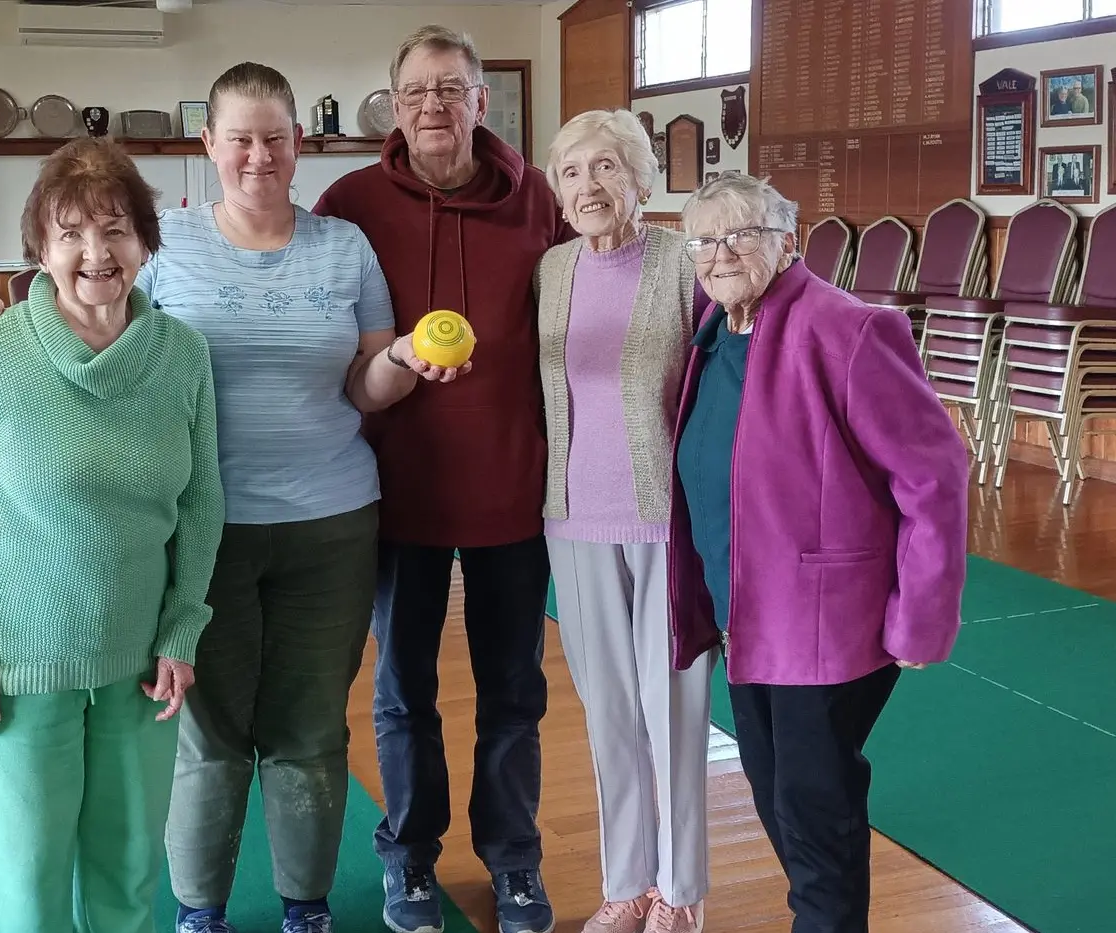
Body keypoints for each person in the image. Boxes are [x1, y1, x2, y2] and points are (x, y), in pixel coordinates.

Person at [0, 62, 454, 933]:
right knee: (204, 735)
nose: (260, 155)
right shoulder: (163, 244)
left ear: (301, 145)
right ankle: (199, 910)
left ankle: (306, 904)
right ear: (208, 144)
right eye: (241, 138)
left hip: (330, 521)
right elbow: (81, 307)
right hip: (189, 535)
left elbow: (367, 388)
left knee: (309, 733)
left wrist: (402, 360)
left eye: (277, 138)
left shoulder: (344, 247)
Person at [0, 136, 226, 933]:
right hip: (14, 670)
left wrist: (182, 628)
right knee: (19, 886)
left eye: (117, 228)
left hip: (137, 667)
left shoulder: (183, 356)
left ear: (147, 240)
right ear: (40, 251)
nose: (97, 253)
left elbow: (200, 504)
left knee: (128, 874)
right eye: (71, 233)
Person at [312, 24, 573, 933]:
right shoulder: (348, 202)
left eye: (449, 89)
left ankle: (514, 862)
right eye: (415, 91)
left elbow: (600, 288)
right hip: (395, 494)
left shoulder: (539, 200)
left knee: (514, 690)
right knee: (403, 693)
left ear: (480, 101)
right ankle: (411, 860)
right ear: (393, 102)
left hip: (513, 489)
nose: (432, 106)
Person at [667, 172, 969, 933]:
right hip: (750, 619)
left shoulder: (848, 329)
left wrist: (922, 617)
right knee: (780, 802)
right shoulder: (713, 329)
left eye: (741, 234)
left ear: (788, 242)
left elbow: (933, 474)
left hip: (826, 624)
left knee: (815, 815)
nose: (721, 252)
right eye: (704, 239)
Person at [535, 109, 712, 933]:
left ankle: (681, 893)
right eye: (572, 173)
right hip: (571, 515)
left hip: (664, 518)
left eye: (606, 167)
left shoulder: (684, 261)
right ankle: (627, 882)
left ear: (641, 179)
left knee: (671, 706)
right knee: (608, 710)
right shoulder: (553, 268)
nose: (589, 186)